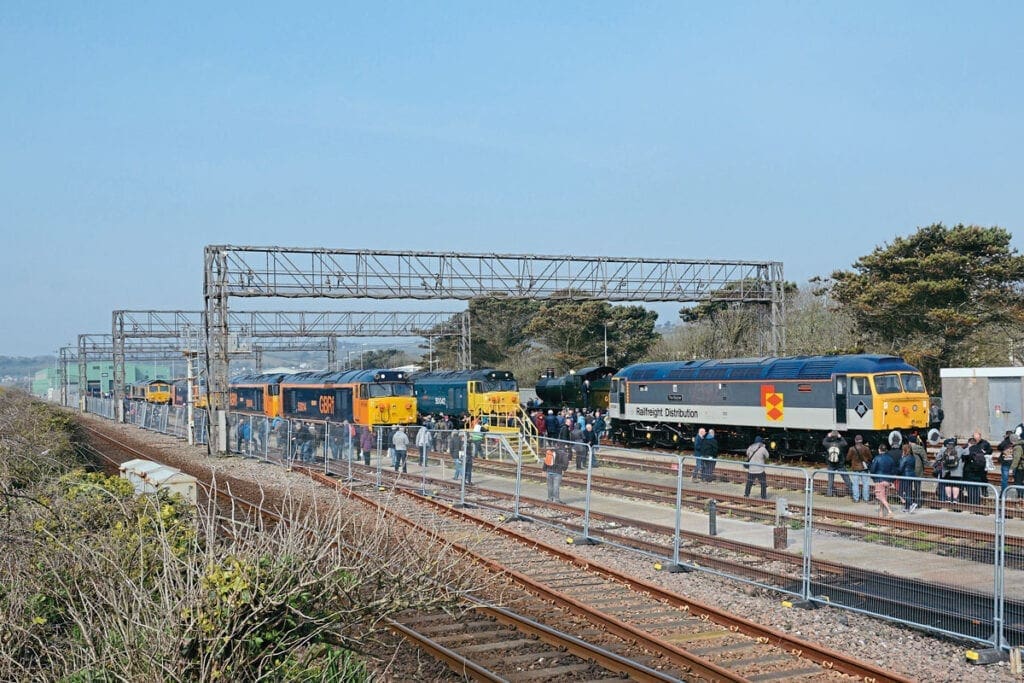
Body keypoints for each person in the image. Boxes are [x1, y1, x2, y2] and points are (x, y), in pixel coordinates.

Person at [869, 435, 899, 518]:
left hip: (879, 480)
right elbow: (894, 470)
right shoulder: (890, 458)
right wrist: (892, 480)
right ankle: (881, 512)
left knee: (880, 496)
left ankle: (890, 511)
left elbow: (873, 469)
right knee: (884, 496)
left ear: (879, 450)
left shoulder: (877, 458)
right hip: (888, 480)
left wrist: (872, 477)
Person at [823, 430, 852, 498]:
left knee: (830, 479)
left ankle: (829, 493)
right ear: (837, 437)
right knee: (846, 478)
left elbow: (824, 442)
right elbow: (845, 443)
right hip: (840, 465)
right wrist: (840, 436)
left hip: (831, 464)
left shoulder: (828, 444)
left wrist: (828, 436)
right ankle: (852, 492)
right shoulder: (840, 444)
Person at [846, 435, 873, 503]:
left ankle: (856, 499)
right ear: (862, 440)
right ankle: (866, 498)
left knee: (855, 484)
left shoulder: (851, 449)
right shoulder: (866, 448)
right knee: (866, 484)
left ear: (855, 440)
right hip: (864, 468)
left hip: (855, 468)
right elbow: (870, 457)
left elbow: (848, 458)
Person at [897, 442, 917, 513]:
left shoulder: (904, 458)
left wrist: (901, 459)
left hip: (905, 476)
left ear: (904, 450)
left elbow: (900, 468)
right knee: (908, 491)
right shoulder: (912, 457)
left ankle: (911, 504)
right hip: (911, 475)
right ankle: (907, 507)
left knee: (900, 492)